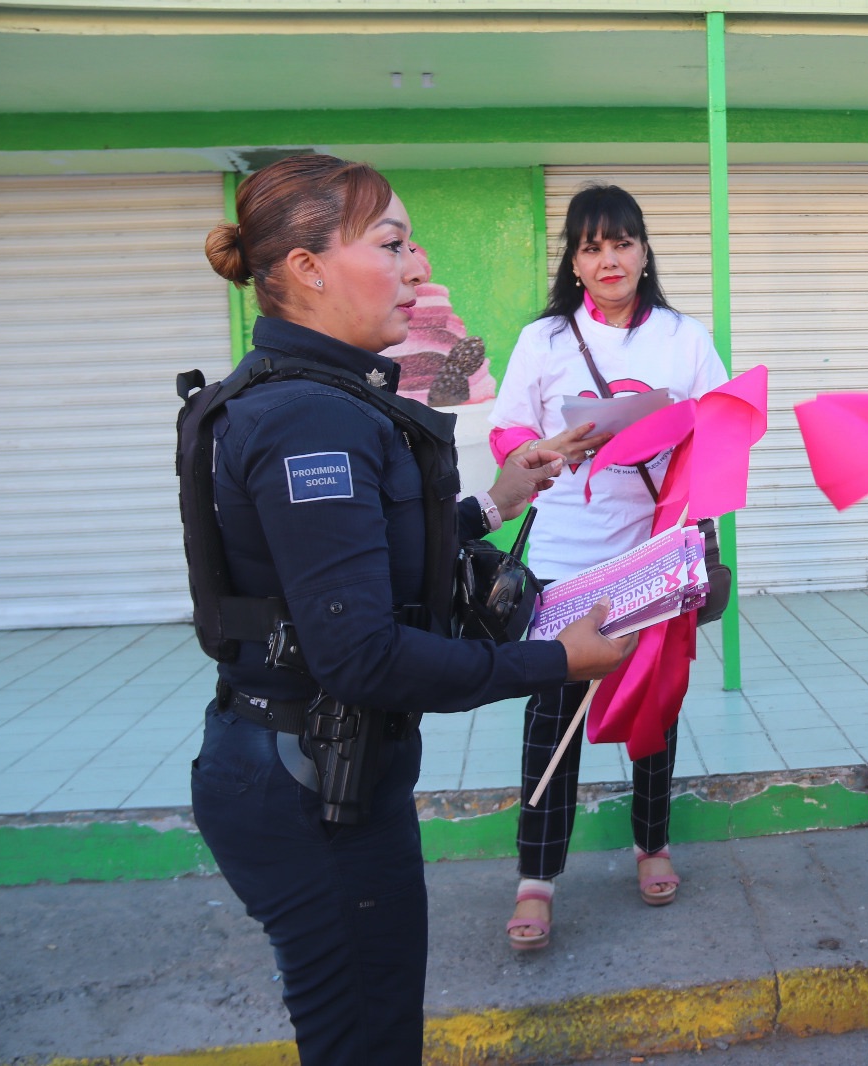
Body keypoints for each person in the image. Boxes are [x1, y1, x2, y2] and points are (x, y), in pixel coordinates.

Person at [192, 154, 635, 1066]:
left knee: (364, 1029)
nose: (419, 266)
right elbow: (361, 654)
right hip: (310, 788)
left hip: (312, 769)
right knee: (365, 1039)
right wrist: (556, 663)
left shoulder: (322, 396)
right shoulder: (311, 420)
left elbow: (351, 559)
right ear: (308, 269)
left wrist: (498, 501)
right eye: (392, 243)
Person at [488, 184, 728, 950]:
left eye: (622, 242)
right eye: (592, 246)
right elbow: (510, 428)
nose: (609, 258)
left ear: (644, 251)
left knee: (653, 707)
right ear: (575, 261)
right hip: (563, 561)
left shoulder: (682, 338)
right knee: (550, 718)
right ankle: (536, 880)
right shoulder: (547, 339)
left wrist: (683, 450)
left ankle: (651, 843)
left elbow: (720, 427)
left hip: (653, 554)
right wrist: (533, 454)